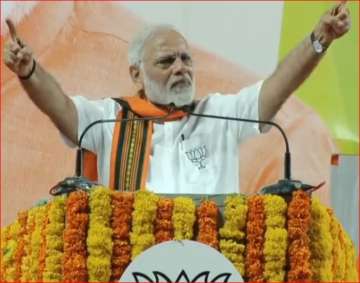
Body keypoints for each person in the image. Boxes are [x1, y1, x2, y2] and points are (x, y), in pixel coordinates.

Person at [3, 2, 351, 194]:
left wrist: (319, 40)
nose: (181, 69)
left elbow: (278, 86)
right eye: (167, 61)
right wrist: (30, 72)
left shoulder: (221, 115)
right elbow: (60, 107)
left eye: (186, 59)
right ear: (137, 74)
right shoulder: (110, 119)